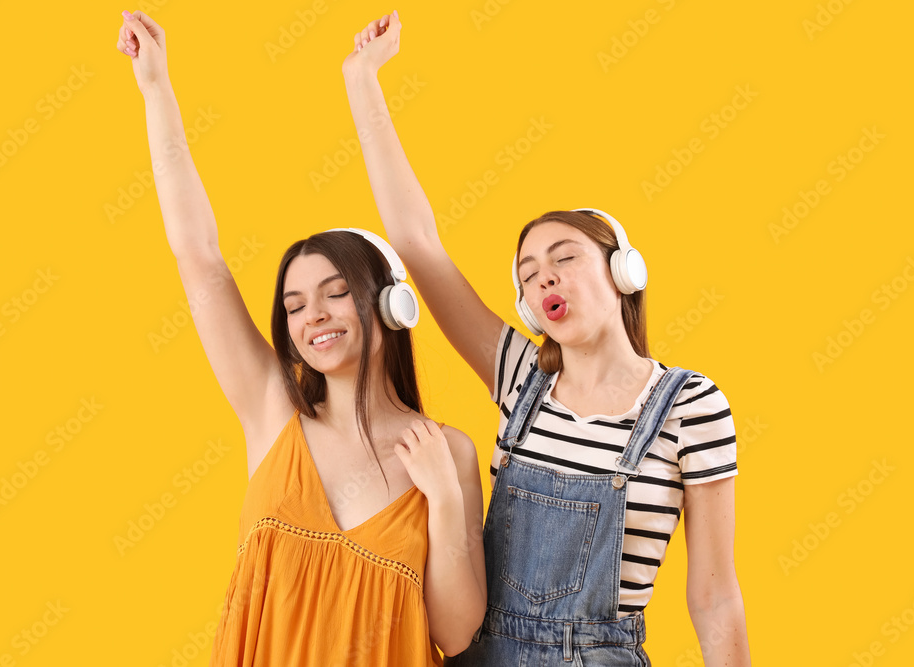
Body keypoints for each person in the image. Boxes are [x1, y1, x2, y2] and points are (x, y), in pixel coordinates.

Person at [343, 11, 751, 666]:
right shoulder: (518, 376)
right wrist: (362, 79)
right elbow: (417, 241)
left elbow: (713, 596)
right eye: (529, 274)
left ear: (624, 272)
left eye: (564, 257)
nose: (545, 277)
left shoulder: (692, 407)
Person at [115, 10, 486, 664]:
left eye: (336, 292)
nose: (313, 314)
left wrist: (447, 501)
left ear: (392, 303)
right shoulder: (270, 411)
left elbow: (454, 634)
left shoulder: (447, 452)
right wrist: (155, 87)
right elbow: (198, 253)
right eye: (294, 305)